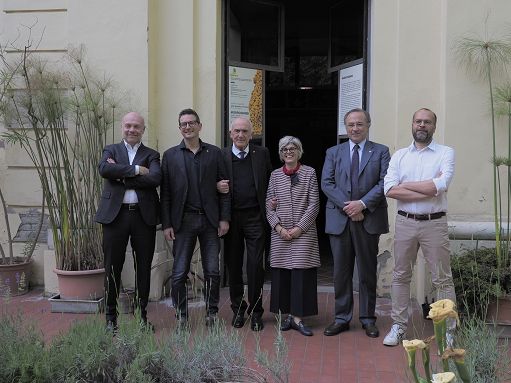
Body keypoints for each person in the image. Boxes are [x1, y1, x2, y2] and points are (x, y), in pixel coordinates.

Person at [382, 107, 456, 346]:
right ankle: (398, 326)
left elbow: (442, 184)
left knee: (442, 279)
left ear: (434, 126)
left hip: (434, 223)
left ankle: (449, 331)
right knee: (401, 275)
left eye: (427, 122)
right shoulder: (400, 156)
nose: (421, 125)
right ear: (412, 124)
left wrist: (409, 186)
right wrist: (429, 187)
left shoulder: (445, 152)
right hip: (405, 222)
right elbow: (390, 189)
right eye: (418, 121)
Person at [321, 108, 390, 338]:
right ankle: (341, 318)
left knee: (367, 271)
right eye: (351, 124)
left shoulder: (381, 151)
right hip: (340, 219)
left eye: (360, 124)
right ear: (345, 127)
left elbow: (384, 183)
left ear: (368, 125)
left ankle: (368, 318)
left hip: (369, 219)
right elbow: (327, 183)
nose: (355, 128)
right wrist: (349, 207)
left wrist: (362, 204)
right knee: (341, 272)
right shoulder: (333, 152)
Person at [161, 108, 230, 327]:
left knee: (212, 270)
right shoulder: (170, 155)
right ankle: (181, 315)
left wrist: (224, 218)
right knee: (179, 272)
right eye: (183, 124)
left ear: (200, 126)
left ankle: (212, 313)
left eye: (191, 123)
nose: (187, 127)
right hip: (183, 222)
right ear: (180, 128)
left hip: (210, 221)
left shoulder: (215, 153)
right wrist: (167, 224)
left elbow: (225, 188)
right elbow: (166, 194)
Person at [95, 111, 162, 332]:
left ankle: (142, 316)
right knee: (112, 267)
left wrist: (120, 175)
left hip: (143, 217)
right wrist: (135, 170)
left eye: (136, 126)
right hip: (116, 217)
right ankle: (110, 319)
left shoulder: (152, 154)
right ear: (122, 127)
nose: (132, 130)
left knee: (143, 267)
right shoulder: (111, 150)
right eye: (128, 126)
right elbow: (105, 169)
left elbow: (154, 178)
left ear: (143, 130)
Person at [217, 117, 272, 331]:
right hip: (231, 219)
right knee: (233, 265)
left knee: (256, 265)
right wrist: (215, 185)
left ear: (251, 134)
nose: (240, 135)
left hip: (255, 217)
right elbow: (210, 181)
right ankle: (238, 309)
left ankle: (256, 312)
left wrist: (273, 200)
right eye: (237, 131)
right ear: (230, 133)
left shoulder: (262, 154)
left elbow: (270, 180)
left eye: (245, 131)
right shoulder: (221, 155)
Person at [266, 136, 320, 337]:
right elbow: (268, 204)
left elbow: (314, 204)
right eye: (284, 149)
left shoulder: (309, 173)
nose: (289, 152)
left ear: (299, 151)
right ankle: (286, 315)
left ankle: (299, 318)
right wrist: (278, 228)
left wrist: (299, 228)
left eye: (293, 148)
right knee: (282, 274)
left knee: (301, 274)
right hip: (280, 233)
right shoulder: (274, 175)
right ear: (280, 154)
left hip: (302, 234)